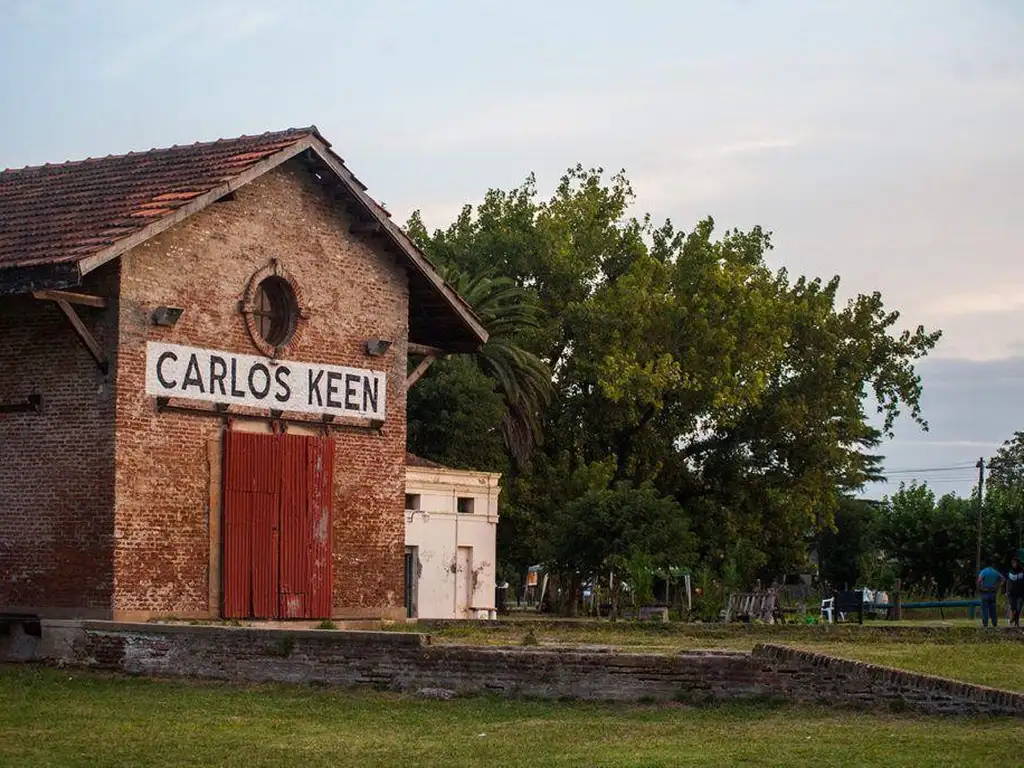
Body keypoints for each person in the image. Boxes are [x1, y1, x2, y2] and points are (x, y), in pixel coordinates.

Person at [977, 559, 1004, 628]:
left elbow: (979, 580)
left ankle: (985, 624)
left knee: (985, 609)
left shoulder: (983, 571)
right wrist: (997, 586)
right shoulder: (995, 571)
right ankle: (994, 623)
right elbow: (1003, 579)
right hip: (993, 592)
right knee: (993, 609)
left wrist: (980, 588)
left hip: (985, 592)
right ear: (992, 565)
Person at [1006, 555, 1024, 628]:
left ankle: (1016, 621)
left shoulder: (1022, 572)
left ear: (1018, 563)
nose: (1013, 564)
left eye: (1014, 562)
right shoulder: (1010, 571)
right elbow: (1008, 581)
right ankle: (1014, 619)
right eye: (1012, 563)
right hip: (1011, 593)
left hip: (1020, 593)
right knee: (1013, 608)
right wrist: (1007, 591)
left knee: (1018, 608)